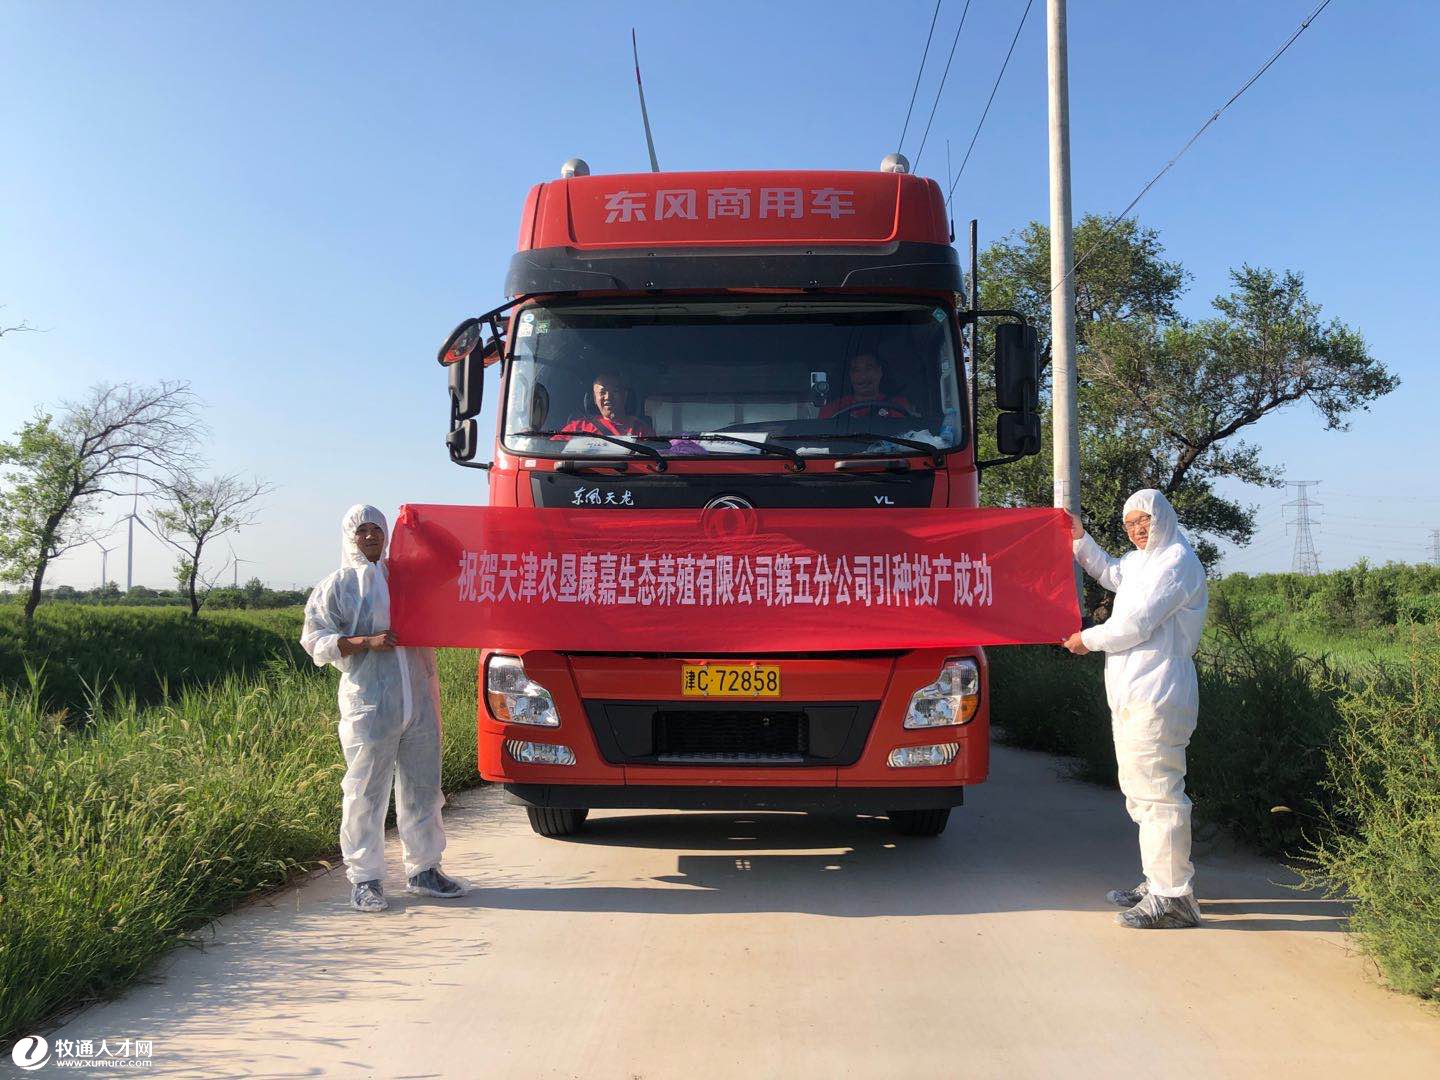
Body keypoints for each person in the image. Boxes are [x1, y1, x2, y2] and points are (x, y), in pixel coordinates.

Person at [301, 504, 466, 912]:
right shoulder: (338, 585)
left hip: (420, 700)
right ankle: (366, 879)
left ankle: (425, 869)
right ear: (350, 538)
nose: (371, 536)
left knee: (423, 789)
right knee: (365, 793)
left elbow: (453, 561)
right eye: (362, 531)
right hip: (370, 704)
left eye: (377, 529)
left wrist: (425, 530)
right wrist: (366, 642)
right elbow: (315, 640)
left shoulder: (407, 576)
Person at [1061, 489, 1208, 930]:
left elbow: (1135, 624)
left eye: (1144, 520)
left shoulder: (1176, 562)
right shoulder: (1142, 562)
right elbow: (1109, 572)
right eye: (1130, 524)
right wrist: (1079, 538)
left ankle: (1174, 898)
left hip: (1158, 695)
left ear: (1163, 517)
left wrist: (1086, 639)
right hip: (1135, 696)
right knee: (1142, 794)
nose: (1138, 530)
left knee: (1159, 795)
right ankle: (1159, 881)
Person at [559, 369, 655, 437]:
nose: (608, 397)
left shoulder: (640, 429)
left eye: (615, 392)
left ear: (625, 396)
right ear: (594, 398)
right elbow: (553, 450)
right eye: (602, 392)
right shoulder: (578, 428)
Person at [819, 350, 913, 420]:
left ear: (879, 372)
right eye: (856, 370)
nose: (863, 376)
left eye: (869, 368)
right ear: (850, 375)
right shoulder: (833, 409)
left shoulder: (898, 405)